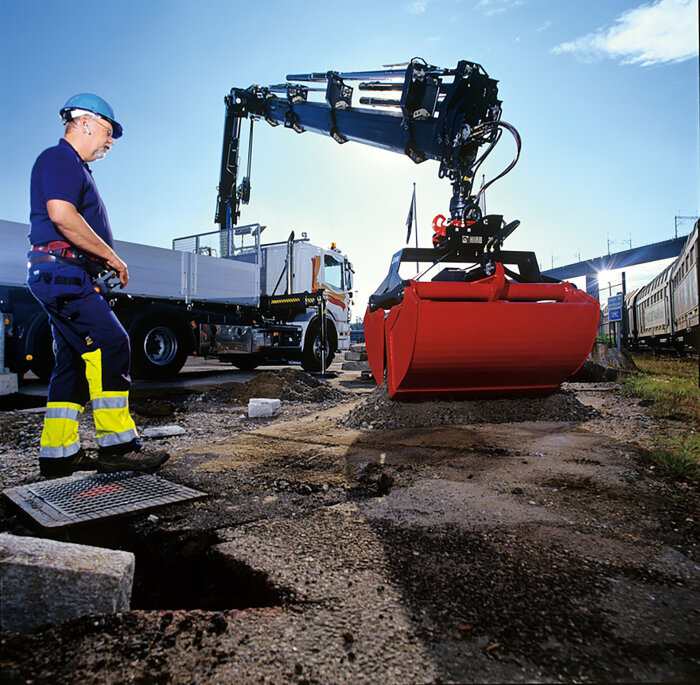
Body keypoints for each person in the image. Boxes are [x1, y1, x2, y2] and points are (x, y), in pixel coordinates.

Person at [28, 93, 169, 478]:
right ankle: (118, 447)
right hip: (64, 275)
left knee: (71, 364)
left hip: (60, 274)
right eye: (107, 133)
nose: (109, 143)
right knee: (113, 343)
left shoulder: (74, 166)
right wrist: (112, 257)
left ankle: (57, 455)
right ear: (85, 122)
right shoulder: (60, 158)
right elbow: (62, 214)